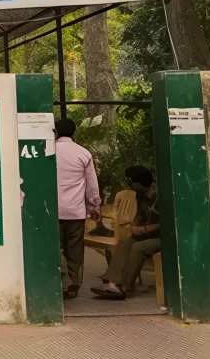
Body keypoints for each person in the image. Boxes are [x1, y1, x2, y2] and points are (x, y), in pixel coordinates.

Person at [91, 165, 165, 309]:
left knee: (139, 247)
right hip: (147, 235)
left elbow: (168, 222)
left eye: (131, 181)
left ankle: (125, 287)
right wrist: (135, 227)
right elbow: (139, 216)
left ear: (139, 182)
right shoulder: (139, 196)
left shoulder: (161, 196)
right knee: (125, 243)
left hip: (163, 237)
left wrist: (147, 228)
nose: (129, 184)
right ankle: (113, 283)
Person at [54, 117, 101, 300]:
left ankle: (61, 282)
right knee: (75, 250)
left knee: (56, 248)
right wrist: (94, 205)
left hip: (53, 210)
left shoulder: (49, 152)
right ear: (74, 131)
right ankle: (73, 285)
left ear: (56, 131)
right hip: (75, 211)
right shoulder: (83, 153)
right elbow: (91, 185)